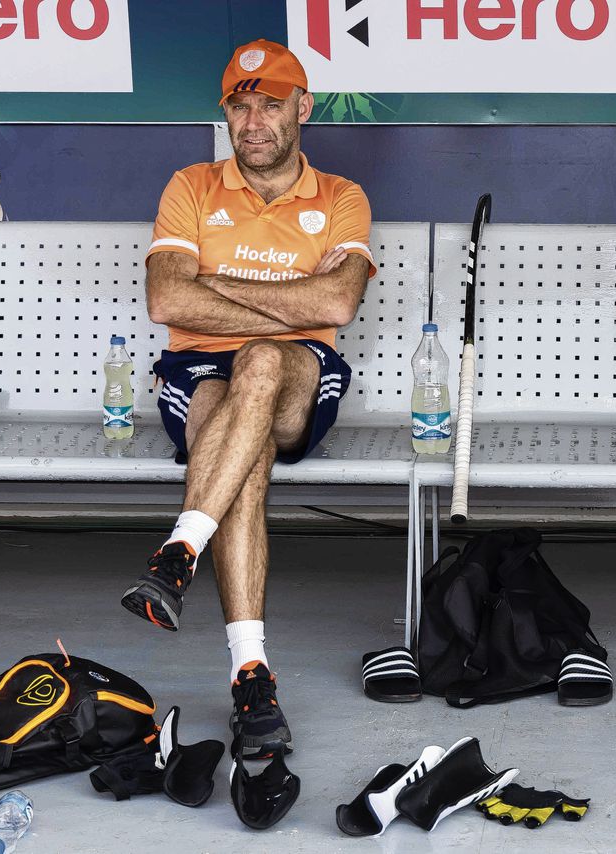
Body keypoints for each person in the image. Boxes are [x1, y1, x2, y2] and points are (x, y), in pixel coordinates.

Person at [121, 39, 375, 754]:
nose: (254, 120)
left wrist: (218, 286)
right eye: (240, 105)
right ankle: (250, 674)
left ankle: (182, 545)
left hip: (299, 368)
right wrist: (296, 295)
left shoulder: (341, 196)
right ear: (226, 113)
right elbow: (168, 294)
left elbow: (340, 303)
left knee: (263, 363)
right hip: (197, 372)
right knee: (245, 455)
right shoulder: (192, 185)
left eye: (270, 104)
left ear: (304, 106)